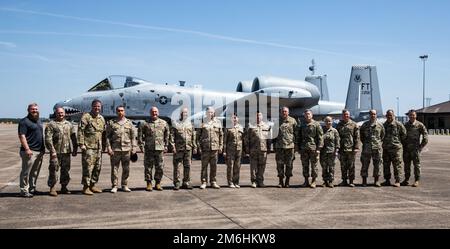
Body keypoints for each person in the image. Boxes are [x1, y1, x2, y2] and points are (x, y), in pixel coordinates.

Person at [45, 107, 77, 196]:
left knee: (65, 171)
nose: (61, 114)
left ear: (65, 113)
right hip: (56, 152)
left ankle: (64, 187)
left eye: (62, 113)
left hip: (66, 152)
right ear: (55, 113)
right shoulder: (51, 124)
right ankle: (52, 188)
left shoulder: (69, 124)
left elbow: (73, 138)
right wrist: (52, 150)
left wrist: (75, 149)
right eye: (59, 113)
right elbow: (48, 139)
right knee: (53, 170)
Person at [106, 106, 137, 193]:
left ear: (124, 112)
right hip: (115, 150)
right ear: (116, 112)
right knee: (114, 168)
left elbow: (133, 137)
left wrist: (134, 148)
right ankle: (114, 185)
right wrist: (108, 148)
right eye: (118, 111)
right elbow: (107, 137)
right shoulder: (112, 123)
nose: (120, 112)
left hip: (127, 150)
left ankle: (124, 185)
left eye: (122, 110)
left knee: (126, 168)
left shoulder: (129, 123)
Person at [78, 99, 106, 195]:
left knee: (97, 167)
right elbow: (80, 131)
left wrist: (104, 146)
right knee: (88, 168)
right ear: (92, 106)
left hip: (98, 147)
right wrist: (81, 144)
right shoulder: (86, 117)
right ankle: (86, 187)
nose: (97, 108)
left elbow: (103, 133)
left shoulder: (102, 118)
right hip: (88, 147)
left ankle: (93, 185)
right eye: (95, 106)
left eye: (98, 106)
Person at [138, 107, 169, 191]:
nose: (154, 113)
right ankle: (149, 183)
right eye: (152, 112)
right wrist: (141, 146)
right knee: (148, 166)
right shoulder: (145, 123)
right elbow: (140, 136)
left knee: (160, 166)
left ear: (158, 113)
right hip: (149, 148)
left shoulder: (163, 123)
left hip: (160, 149)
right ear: (150, 113)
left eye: (155, 112)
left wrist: (166, 146)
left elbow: (167, 135)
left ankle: (158, 183)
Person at [18, 103, 45, 198]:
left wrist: (43, 149)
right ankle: (24, 190)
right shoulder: (24, 122)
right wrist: (27, 149)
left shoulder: (39, 121)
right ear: (28, 110)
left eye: (36, 109)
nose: (34, 110)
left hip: (39, 151)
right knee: (26, 172)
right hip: (29, 151)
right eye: (32, 109)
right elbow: (22, 136)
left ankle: (32, 188)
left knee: (35, 172)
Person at [170, 107, 197, 190]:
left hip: (188, 148)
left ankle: (186, 182)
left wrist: (195, 146)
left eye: (186, 113)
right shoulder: (175, 123)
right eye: (183, 112)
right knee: (177, 166)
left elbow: (193, 136)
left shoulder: (190, 124)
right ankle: (177, 183)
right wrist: (173, 146)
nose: (184, 114)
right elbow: (171, 136)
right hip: (178, 149)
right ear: (180, 114)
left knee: (188, 166)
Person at [197, 106, 223, 189]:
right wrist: (199, 147)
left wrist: (221, 146)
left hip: (215, 148)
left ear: (214, 113)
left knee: (214, 166)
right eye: (208, 112)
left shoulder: (218, 122)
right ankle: (204, 182)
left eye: (211, 112)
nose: (210, 114)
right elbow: (198, 136)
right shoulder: (202, 122)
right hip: (205, 148)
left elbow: (221, 135)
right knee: (204, 166)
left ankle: (213, 182)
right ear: (206, 113)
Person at [402, 109, 428, 187]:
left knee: (416, 165)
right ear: (408, 116)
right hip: (406, 149)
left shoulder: (420, 125)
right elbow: (402, 136)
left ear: (416, 116)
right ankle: (406, 180)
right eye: (410, 115)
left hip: (415, 149)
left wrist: (421, 146)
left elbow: (425, 137)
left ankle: (417, 180)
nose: (412, 116)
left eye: (413, 115)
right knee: (406, 165)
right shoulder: (405, 125)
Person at [245, 112, 271, 188]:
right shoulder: (250, 126)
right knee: (253, 166)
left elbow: (269, 139)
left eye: (259, 115)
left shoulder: (266, 126)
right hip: (253, 149)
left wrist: (269, 148)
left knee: (262, 166)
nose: (258, 117)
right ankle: (254, 181)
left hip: (263, 149)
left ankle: (260, 181)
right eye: (256, 116)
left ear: (262, 117)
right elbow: (246, 138)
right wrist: (247, 149)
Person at [273, 107, 298, 188]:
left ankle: (287, 181)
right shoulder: (277, 121)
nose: (284, 113)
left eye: (285, 111)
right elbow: (274, 134)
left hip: (290, 147)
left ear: (288, 112)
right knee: (279, 165)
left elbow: (296, 133)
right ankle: (280, 182)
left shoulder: (293, 121)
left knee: (289, 165)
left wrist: (296, 145)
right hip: (279, 147)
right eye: (283, 111)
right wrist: (274, 146)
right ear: (280, 112)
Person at [298, 109, 323, 188]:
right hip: (304, 148)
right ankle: (306, 181)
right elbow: (299, 137)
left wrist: (319, 148)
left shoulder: (316, 124)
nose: (307, 115)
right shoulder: (302, 124)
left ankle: (313, 181)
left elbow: (320, 137)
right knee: (305, 165)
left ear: (312, 115)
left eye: (308, 114)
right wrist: (298, 148)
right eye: (306, 114)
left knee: (314, 166)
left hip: (313, 148)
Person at [359, 110, 384, 187]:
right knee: (365, 164)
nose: (373, 115)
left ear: (376, 115)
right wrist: (366, 143)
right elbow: (361, 136)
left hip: (377, 148)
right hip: (367, 148)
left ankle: (376, 181)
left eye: (374, 114)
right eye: (371, 114)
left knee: (377, 164)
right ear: (369, 115)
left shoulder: (380, 125)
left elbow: (382, 136)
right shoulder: (364, 125)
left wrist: (377, 143)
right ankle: (364, 181)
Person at [382, 110, 407, 187]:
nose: (389, 116)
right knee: (386, 165)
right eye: (388, 115)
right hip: (386, 148)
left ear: (394, 116)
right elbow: (381, 135)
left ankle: (397, 180)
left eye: (391, 115)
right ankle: (387, 180)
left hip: (396, 149)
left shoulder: (398, 124)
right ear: (386, 116)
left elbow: (404, 135)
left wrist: (397, 143)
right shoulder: (384, 125)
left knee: (397, 165)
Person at [336, 109, 360, 187]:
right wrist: (337, 148)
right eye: (344, 115)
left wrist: (356, 147)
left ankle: (351, 181)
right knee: (343, 166)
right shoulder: (339, 125)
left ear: (349, 115)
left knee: (351, 166)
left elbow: (357, 137)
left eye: (347, 114)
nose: (346, 116)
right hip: (342, 149)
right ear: (342, 116)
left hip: (351, 149)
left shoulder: (354, 124)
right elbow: (337, 137)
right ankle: (344, 180)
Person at [223, 113, 244, 188]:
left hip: (239, 150)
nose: (234, 119)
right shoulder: (228, 128)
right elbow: (225, 141)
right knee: (230, 167)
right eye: (233, 118)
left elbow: (243, 140)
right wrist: (224, 151)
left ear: (238, 119)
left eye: (235, 118)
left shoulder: (241, 128)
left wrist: (244, 150)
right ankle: (230, 182)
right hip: (230, 150)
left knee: (237, 166)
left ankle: (236, 182)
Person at [320, 116, 340, 188]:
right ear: (324, 122)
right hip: (323, 152)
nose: (328, 123)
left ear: (332, 122)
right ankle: (325, 181)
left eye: (329, 121)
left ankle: (331, 181)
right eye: (326, 121)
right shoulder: (321, 130)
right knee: (324, 167)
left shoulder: (334, 131)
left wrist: (337, 150)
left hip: (332, 152)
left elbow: (337, 141)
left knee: (331, 167)